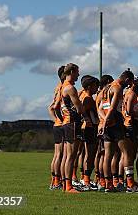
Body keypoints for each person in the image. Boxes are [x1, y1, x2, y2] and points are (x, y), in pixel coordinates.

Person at [99, 70, 133, 192]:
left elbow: (100, 109)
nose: (128, 86)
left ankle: (108, 184)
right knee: (127, 152)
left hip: (107, 123)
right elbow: (113, 108)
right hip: (116, 121)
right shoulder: (117, 88)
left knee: (108, 155)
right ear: (127, 79)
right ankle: (130, 184)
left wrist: (104, 122)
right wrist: (107, 121)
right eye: (129, 84)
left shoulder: (106, 88)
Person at [60, 63, 84, 193]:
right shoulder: (70, 88)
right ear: (72, 72)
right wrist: (82, 107)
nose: (78, 75)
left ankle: (66, 184)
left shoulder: (62, 86)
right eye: (77, 72)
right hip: (72, 123)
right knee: (71, 156)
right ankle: (68, 186)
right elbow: (79, 108)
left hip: (65, 122)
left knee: (68, 156)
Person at [120, 75, 138, 192]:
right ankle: (129, 181)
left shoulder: (126, 92)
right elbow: (129, 110)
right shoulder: (131, 93)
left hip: (126, 124)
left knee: (126, 154)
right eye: (136, 82)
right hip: (130, 124)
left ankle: (125, 179)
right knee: (130, 154)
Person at [78, 75, 99, 190]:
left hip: (85, 127)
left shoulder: (81, 94)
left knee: (85, 154)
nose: (97, 88)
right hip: (90, 127)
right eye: (95, 86)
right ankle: (86, 180)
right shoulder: (88, 98)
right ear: (90, 86)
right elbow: (85, 111)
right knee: (90, 154)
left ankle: (84, 178)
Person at [48, 65, 65, 190]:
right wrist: (60, 119)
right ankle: (57, 181)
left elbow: (51, 107)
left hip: (57, 124)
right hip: (61, 125)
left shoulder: (57, 87)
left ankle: (54, 181)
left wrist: (55, 120)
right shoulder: (62, 88)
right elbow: (54, 107)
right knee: (61, 155)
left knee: (57, 154)